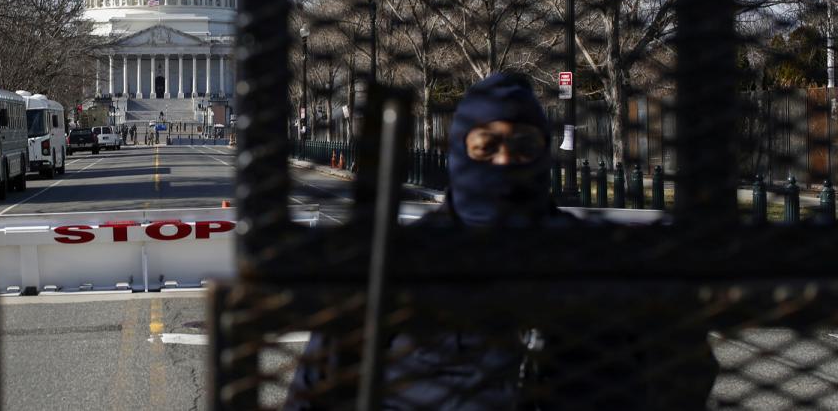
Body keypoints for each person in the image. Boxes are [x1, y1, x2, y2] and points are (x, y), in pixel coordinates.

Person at [283, 72, 717, 409]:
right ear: (459, 153)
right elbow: (316, 393)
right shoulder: (393, 263)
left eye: (523, 145)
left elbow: (683, 373)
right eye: (486, 146)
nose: (506, 160)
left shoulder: (602, 255)